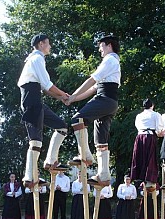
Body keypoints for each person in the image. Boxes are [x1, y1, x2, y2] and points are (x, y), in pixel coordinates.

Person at [66, 33, 121, 187]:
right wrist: (72, 98)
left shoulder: (110, 59)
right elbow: (92, 90)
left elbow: (91, 80)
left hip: (105, 100)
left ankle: (85, 155)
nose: (100, 50)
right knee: (101, 141)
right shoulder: (113, 63)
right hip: (110, 103)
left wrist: (73, 96)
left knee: (77, 119)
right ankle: (103, 175)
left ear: (109, 45)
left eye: (101, 47)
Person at [17, 33, 69, 188]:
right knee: (35, 140)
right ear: (41, 44)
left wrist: (61, 98)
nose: (50, 46)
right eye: (48, 43)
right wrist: (65, 95)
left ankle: (51, 160)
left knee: (62, 127)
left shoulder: (35, 59)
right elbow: (47, 84)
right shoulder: (37, 59)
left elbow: (45, 89)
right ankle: (29, 176)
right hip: (31, 99)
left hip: (35, 100)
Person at [130, 98, 163, 191]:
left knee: (139, 156)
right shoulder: (155, 114)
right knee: (150, 157)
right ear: (152, 105)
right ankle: (149, 179)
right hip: (149, 136)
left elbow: (137, 126)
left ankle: (139, 177)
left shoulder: (139, 115)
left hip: (140, 136)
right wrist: (160, 133)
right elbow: (158, 127)